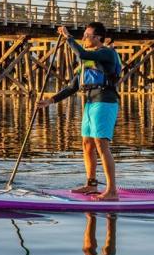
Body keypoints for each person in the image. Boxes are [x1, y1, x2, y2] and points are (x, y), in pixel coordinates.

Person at [39, 23, 122, 200]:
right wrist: (50, 101)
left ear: (98, 37)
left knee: (101, 144)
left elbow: (82, 53)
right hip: (90, 103)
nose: (84, 38)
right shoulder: (89, 62)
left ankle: (112, 191)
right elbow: (72, 87)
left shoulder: (106, 52)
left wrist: (68, 37)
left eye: (87, 35)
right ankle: (91, 184)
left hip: (105, 101)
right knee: (87, 144)